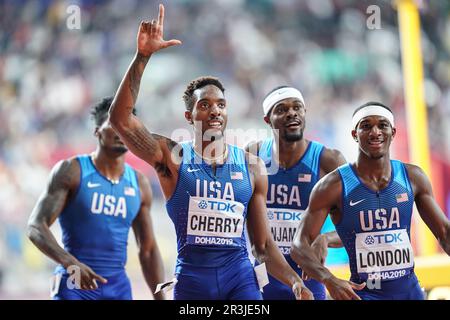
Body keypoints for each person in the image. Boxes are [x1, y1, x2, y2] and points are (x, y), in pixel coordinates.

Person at [108, 4, 312, 300]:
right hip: (192, 282)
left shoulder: (251, 167)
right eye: (205, 105)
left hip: (240, 280)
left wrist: (295, 282)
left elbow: (263, 246)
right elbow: (120, 120)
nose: (215, 110)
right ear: (189, 116)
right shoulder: (172, 157)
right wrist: (143, 57)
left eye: (220, 105)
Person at [291, 102, 450, 300]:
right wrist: (329, 280)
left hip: (410, 293)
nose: (375, 132)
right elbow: (298, 245)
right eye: (366, 126)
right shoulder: (333, 185)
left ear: (393, 132)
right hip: (365, 294)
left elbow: (444, 233)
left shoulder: (412, 177)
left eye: (382, 125)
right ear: (354, 134)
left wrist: (325, 239)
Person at [27, 97, 165, 300]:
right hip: (74, 285)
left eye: (127, 125)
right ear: (97, 131)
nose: (122, 131)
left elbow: (148, 250)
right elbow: (36, 226)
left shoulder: (140, 183)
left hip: (118, 289)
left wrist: (161, 298)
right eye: (114, 125)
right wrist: (70, 263)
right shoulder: (72, 171)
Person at [246, 86, 346, 300]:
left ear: (304, 113)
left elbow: (358, 227)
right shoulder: (252, 155)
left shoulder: (328, 160)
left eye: (297, 107)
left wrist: (326, 239)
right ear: (267, 119)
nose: (291, 113)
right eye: (281, 109)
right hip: (263, 275)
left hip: (308, 275)